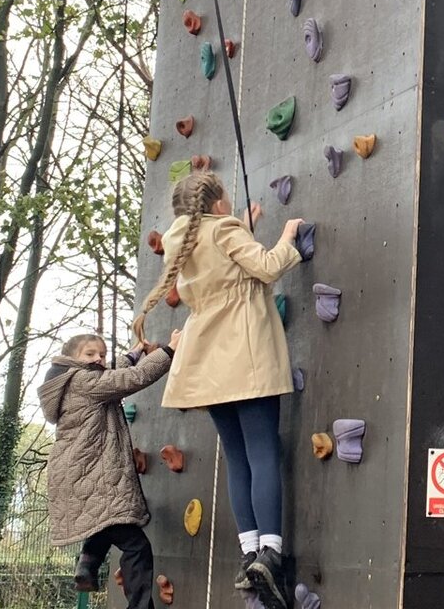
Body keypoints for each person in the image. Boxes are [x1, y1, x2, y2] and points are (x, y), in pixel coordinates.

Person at [133, 170, 306, 609]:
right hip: (244, 353)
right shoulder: (225, 228)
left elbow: (218, 263)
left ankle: (250, 553)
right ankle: (272, 551)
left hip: (206, 360)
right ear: (217, 205)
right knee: (263, 448)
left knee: (237, 456)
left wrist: (239, 225)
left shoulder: (180, 240)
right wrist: (287, 234)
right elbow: (265, 268)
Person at [40, 330, 178, 609]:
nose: (99, 359)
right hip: (92, 473)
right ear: (71, 360)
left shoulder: (75, 381)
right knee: (136, 546)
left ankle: (87, 565)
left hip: (78, 473)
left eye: (101, 354)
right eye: (90, 354)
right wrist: (170, 350)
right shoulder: (83, 381)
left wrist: (134, 353)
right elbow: (129, 379)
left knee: (103, 520)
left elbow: (113, 374)